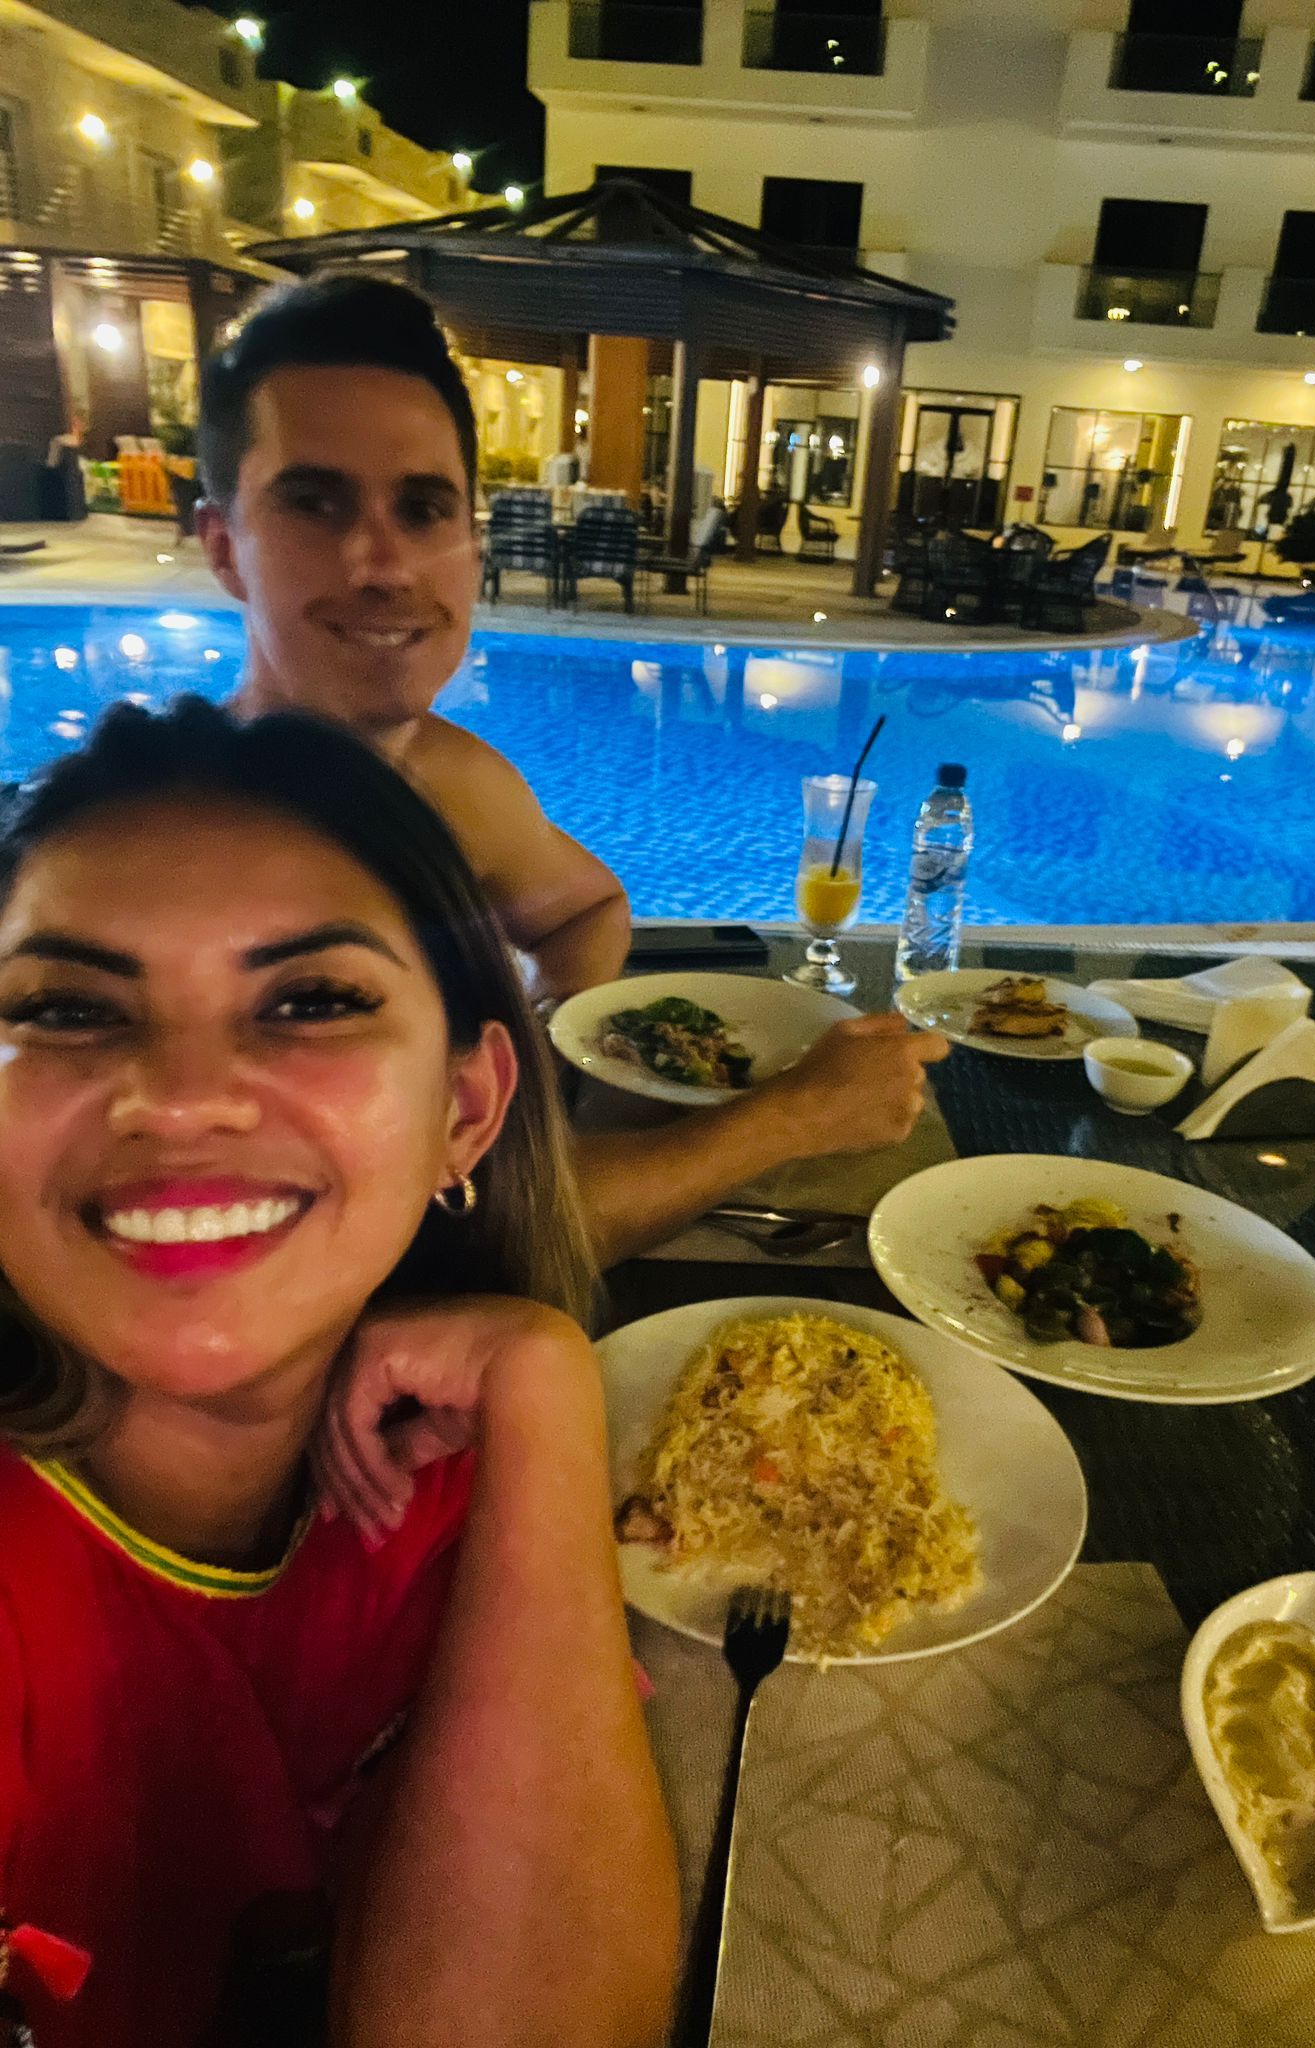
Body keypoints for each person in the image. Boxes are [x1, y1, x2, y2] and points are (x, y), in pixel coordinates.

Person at [0, 698, 677, 2047]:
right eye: (67, 1008)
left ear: (465, 1109)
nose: (180, 1097)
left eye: (310, 1000)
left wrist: (544, 1378)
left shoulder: (458, 1457)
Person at [193, 274, 948, 1264]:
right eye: (313, 503)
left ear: (472, 545)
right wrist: (793, 1117)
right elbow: (461, 1245)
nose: (384, 564)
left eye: (423, 507)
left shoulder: (450, 779)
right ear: (225, 548)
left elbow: (585, 908)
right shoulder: (195, 860)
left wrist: (541, 1055)